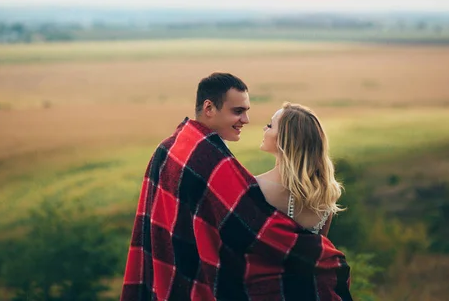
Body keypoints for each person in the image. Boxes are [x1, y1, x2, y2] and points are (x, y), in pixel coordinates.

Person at [120, 72, 351, 301]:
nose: (249, 121)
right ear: (209, 108)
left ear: (285, 140)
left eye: (269, 125)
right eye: (238, 111)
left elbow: (237, 251)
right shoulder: (326, 197)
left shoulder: (250, 186)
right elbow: (312, 256)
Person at [256, 102, 343, 237]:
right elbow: (320, 250)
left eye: (270, 125)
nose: (264, 129)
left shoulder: (255, 186)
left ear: (284, 139)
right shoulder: (324, 194)